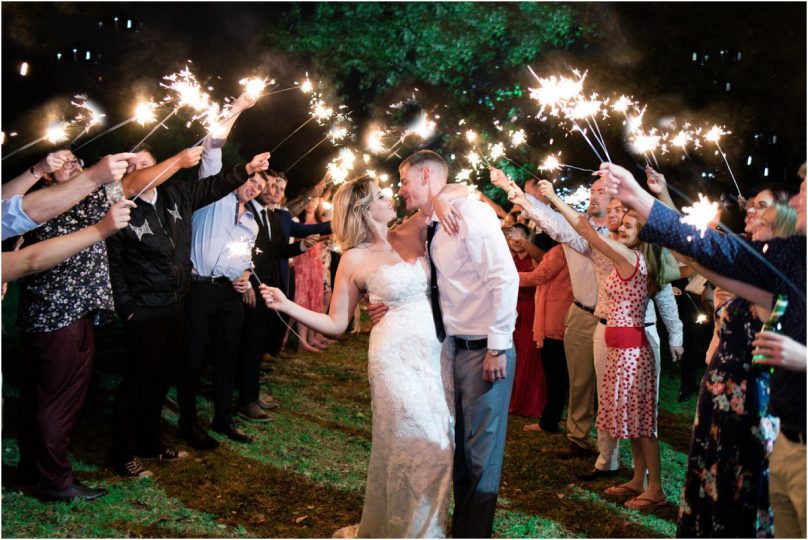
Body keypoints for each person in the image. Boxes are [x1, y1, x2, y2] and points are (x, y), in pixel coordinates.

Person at [603, 161, 805, 537]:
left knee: (742, 496)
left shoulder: (783, 264)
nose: (798, 198)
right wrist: (646, 199)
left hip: (754, 401)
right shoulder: (781, 259)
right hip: (735, 400)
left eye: (804, 190)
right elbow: (699, 252)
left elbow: (706, 251)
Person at [260, 176, 456, 537]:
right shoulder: (352, 258)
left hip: (435, 357)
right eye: (381, 196)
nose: (391, 197)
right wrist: (287, 304)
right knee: (416, 442)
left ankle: (422, 527)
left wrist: (441, 203)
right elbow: (336, 323)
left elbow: (453, 190)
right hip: (393, 361)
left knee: (443, 444)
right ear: (364, 209)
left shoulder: (410, 231)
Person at [13, 148, 193, 503]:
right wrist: (180, 160)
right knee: (58, 402)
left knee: (39, 396)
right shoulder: (48, 204)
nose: (74, 166)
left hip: (61, 315)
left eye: (77, 162)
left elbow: (132, 183)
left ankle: (33, 469)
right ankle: (54, 479)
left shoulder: (74, 200)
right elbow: (132, 185)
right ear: (47, 174)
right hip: (59, 316)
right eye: (65, 164)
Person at [396, 151, 519, 537]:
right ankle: (463, 528)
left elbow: (505, 278)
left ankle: (474, 532)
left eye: (404, 181)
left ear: (425, 175)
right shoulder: (436, 218)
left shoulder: (471, 215)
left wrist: (497, 346)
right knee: (463, 450)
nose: (400, 190)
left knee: (481, 454)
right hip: (455, 349)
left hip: (484, 350)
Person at [535, 179, 668, 510]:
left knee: (642, 424)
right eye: (621, 225)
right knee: (634, 422)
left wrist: (555, 199)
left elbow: (587, 231)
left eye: (628, 226)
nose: (620, 229)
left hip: (632, 352)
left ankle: (656, 489)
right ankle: (638, 479)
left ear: (643, 234)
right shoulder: (631, 254)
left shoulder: (628, 257)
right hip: (620, 347)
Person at [676, 202, 798, 537]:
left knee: (740, 471)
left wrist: (699, 240)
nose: (752, 215)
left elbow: (711, 263)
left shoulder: (775, 281)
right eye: (752, 208)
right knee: (713, 464)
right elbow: (696, 257)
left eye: (762, 211)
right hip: (719, 383)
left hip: (750, 390)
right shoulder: (749, 267)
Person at [3, 199, 134, 282]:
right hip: (52, 301)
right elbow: (30, 261)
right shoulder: (46, 208)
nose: (76, 168)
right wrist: (101, 230)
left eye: (77, 163)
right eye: (67, 165)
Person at [518, 239, 573, 433]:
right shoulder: (573, 248)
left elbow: (538, 276)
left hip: (554, 317)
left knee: (555, 374)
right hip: (564, 314)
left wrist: (506, 275)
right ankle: (568, 418)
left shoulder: (560, 250)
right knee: (564, 374)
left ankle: (549, 421)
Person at [505, 223, 546, 418]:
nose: (515, 241)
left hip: (530, 309)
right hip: (510, 309)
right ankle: (509, 398)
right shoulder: (507, 257)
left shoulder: (535, 258)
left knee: (528, 356)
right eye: (512, 237)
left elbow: (539, 276)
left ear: (528, 239)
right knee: (511, 353)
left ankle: (527, 402)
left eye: (520, 236)